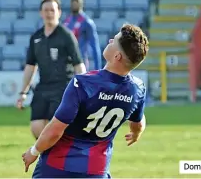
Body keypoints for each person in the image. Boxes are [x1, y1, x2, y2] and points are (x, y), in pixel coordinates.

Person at [21, 24, 149, 178]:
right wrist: (136, 134)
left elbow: (55, 131)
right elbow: (138, 123)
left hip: (57, 168)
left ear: (117, 57)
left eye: (114, 41)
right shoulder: (138, 88)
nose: (109, 40)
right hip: (96, 171)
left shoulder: (82, 83)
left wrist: (34, 151)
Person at [16, 0, 87, 139]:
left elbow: (78, 64)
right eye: (46, 10)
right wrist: (23, 92)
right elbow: (30, 66)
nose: (49, 13)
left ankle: (58, 158)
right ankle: (50, 156)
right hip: (43, 87)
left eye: (52, 10)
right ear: (40, 13)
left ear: (59, 12)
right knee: (36, 128)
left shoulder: (66, 36)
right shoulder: (36, 37)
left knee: (54, 130)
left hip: (63, 87)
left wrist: (84, 90)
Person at [63, 0, 102, 70]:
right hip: (66, 64)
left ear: (82, 2)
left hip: (80, 64)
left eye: (76, 0)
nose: (74, 3)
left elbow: (95, 48)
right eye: (72, 0)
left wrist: (98, 70)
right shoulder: (66, 21)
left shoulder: (87, 22)